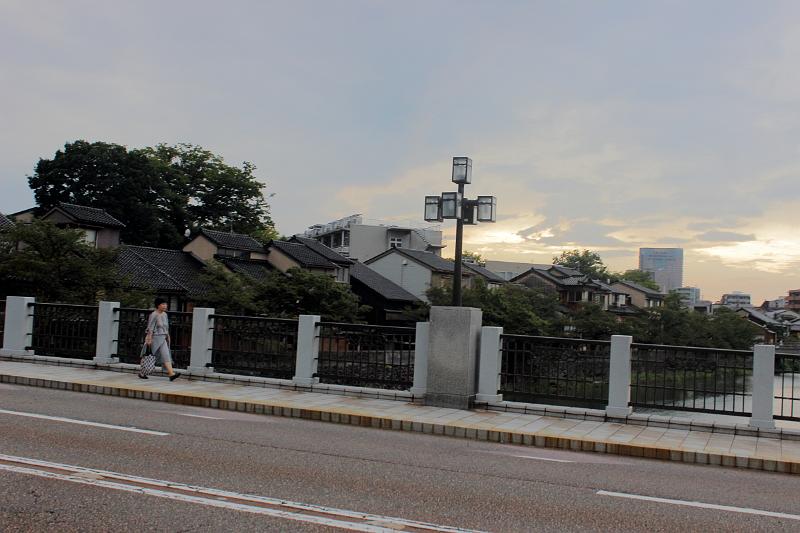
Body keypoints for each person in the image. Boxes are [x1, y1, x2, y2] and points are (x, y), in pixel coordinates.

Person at [139, 298, 180, 381]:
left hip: (163, 337)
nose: (165, 306)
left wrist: (167, 335)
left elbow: (166, 326)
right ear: (158, 305)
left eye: (166, 304)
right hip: (154, 338)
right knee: (148, 355)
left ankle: (171, 374)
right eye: (163, 304)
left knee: (166, 354)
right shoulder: (154, 315)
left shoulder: (165, 314)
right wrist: (149, 338)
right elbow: (150, 327)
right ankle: (142, 372)